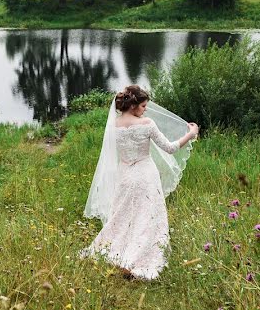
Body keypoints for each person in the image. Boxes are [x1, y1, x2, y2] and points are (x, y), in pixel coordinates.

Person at [81, 85, 198, 280]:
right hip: (145, 175)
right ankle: (140, 256)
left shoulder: (114, 124)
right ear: (134, 105)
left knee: (123, 214)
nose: (145, 110)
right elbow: (169, 148)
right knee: (148, 215)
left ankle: (117, 249)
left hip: (125, 175)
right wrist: (191, 134)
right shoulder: (147, 124)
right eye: (143, 106)